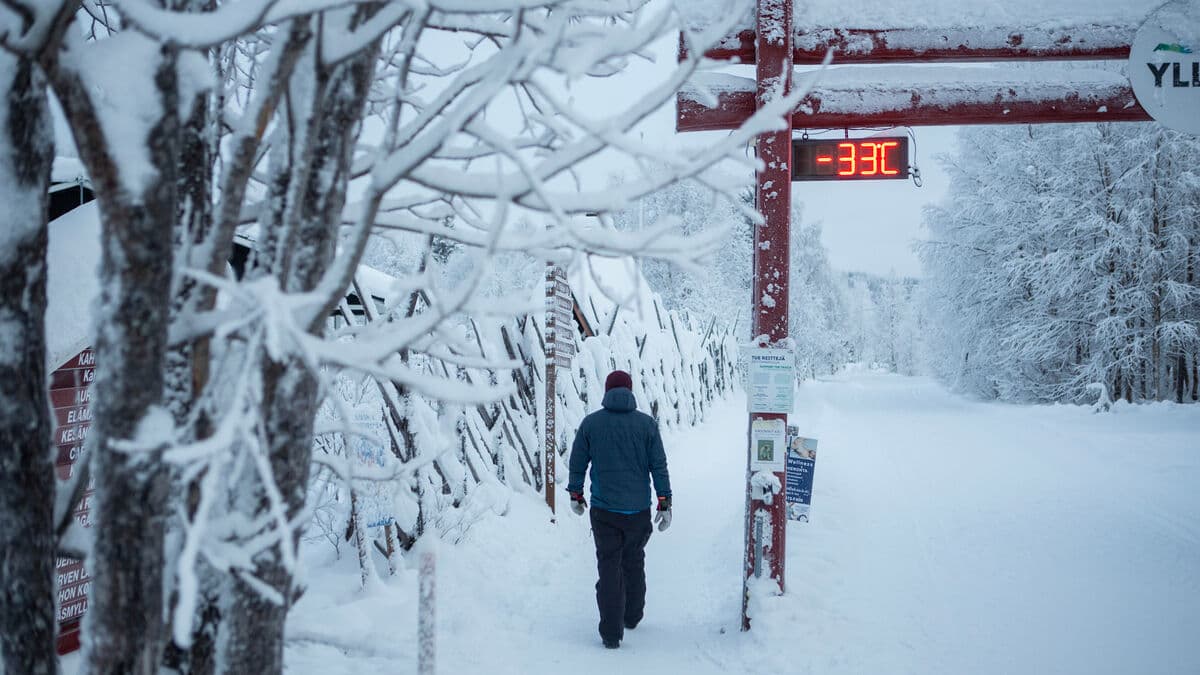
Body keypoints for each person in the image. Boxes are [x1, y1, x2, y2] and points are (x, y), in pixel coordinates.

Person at [567, 369, 672, 650]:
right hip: (638, 510)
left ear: (606, 391)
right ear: (630, 390)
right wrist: (665, 502)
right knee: (634, 560)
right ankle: (633, 615)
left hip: (604, 511)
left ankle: (611, 633)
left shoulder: (591, 424)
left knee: (609, 567)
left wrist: (575, 494)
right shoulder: (646, 425)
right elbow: (658, 466)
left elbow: (577, 463)